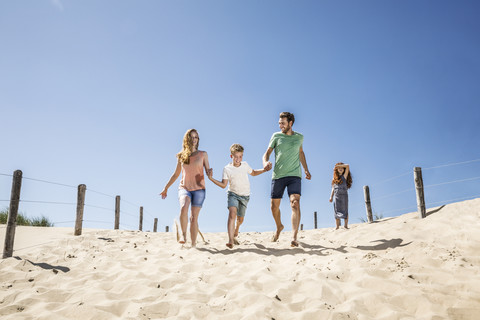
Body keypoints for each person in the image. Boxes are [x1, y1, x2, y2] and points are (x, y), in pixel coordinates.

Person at [208, 144, 270, 249]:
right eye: (236, 156)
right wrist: (211, 178)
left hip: (245, 196)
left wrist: (265, 170)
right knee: (232, 214)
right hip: (233, 194)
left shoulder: (245, 165)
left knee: (240, 219)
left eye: (240, 156)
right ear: (231, 156)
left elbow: (253, 173)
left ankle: (237, 228)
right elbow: (224, 185)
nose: (238, 159)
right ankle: (231, 240)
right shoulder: (227, 169)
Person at [263, 112, 311, 247]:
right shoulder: (276, 136)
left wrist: (306, 169)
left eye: (283, 123)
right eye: (279, 123)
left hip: (294, 175)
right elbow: (266, 153)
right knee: (274, 207)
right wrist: (265, 162)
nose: (280, 125)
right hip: (278, 175)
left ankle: (294, 237)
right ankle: (279, 226)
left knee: (295, 203)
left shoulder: (299, 137)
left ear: (290, 123)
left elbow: (301, 153)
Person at [160, 129, 211, 247]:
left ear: (198, 140)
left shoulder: (203, 154)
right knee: (183, 207)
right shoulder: (181, 156)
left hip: (199, 189)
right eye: (191, 137)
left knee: (193, 218)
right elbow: (176, 174)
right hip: (184, 187)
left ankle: (193, 245)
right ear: (187, 139)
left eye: (196, 137)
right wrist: (166, 188)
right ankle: (183, 235)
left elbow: (208, 171)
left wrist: (210, 172)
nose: (194, 140)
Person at [329, 163, 352, 229]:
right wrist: (331, 197)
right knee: (336, 211)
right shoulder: (334, 178)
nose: (340, 169)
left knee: (345, 210)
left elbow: (347, 166)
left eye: (342, 168)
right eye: (339, 168)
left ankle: (346, 225)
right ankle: (337, 226)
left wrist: (337, 166)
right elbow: (333, 188)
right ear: (336, 170)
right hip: (336, 197)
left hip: (344, 196)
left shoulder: (344, 176)